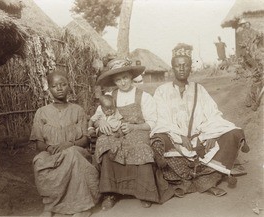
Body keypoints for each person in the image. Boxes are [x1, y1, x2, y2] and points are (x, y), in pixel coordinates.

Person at [150, 43, 250, 198]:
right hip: (174, 140)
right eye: (178, 65)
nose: (182, 68)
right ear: (172, 68)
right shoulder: (162, 91)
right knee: (158, 141)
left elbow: (212, 114)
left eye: (185, 65)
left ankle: (204, 179)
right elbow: (161, 120)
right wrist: (179, 137)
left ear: (191, 67)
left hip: (200, 139)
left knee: (233, 133)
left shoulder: (199, 89)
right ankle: (207, 181)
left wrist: (211, 135)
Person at [95, 58, 174, 210]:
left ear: (131, 76)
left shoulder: (143, 96)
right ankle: (110, 193)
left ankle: (145, 192)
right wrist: (102, 122)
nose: (123, 83)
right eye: (118, 80)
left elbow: (152, 123)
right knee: (105, 144)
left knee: (140, 148)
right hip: (116, 133)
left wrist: (132, 127)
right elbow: (98, 117)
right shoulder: (110, 96)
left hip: (138, 130)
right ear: (114, 81)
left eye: (125, 78)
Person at [30, 71, 100, 217]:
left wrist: (69, 144)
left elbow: (86, 139)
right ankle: (50, 206)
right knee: (39, 160)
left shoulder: (77, 110)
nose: (60, 88)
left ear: (69, 86)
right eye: (55, 86)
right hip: (51, 152)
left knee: (72, 154)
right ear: (49, 88)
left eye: (63, 84)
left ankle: (82, 207)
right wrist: (49, 148)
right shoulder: (41, 112)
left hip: (76, 149)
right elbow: (39, 143)